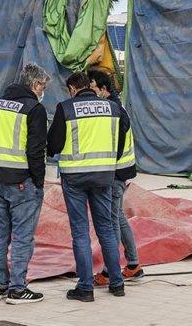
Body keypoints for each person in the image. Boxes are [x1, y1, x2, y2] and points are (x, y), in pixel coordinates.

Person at [47, 69, 128, 302]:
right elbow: (120, 141)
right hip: (104, 177)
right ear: (90, 86)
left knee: (80, 233)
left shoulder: (66, 108)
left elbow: (53, 144)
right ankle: (117, 283)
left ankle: (85, 288)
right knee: (107, 230)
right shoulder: (113, 108)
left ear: (73, 89)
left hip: (75, 179)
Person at [0, 63, 50, 304]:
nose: (43, 91)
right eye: (43, 87)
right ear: (35, 84)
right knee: (22, 236)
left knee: (0, 232)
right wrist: (38, 182)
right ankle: (18, 288)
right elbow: (36, 151)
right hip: (22, 181)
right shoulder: (34, 109)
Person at [90, 73, 142, 286]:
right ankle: (133, 264)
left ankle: (109, 271)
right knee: (118, 217)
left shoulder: (113, 111)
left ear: (103, 89)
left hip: (115, 174)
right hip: (122, 171)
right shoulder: (116, 107)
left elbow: (115, 146)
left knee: (110, 222)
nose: (90, 92)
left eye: (92, 87)